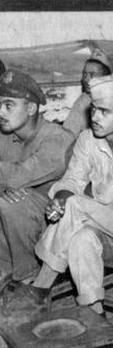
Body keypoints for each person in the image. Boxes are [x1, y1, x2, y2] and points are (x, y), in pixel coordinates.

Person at [11, 75, 113, 317]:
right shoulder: (87, 138)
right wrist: (60, 197)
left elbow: (105, 193)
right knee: (81, 239)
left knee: (76, 206)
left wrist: (75, 196)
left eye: (104, 111)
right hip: (103, 227)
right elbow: (72, 179)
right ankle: (95, 314)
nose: (95, 117)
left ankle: (41, 286)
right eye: (93, 110)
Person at [0, 69, 74, 285]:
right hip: (16, 227)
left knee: (13, 203)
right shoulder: (5, 136)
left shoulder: (58, 139)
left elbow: (20, 175)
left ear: (31, 108)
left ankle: (27, 277)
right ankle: (4, 270)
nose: (0, 112)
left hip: (53, 226)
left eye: (8, 105)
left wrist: (7, 187)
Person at [62, 48, 112, 136]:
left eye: (92, 75)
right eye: (85, 74)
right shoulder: (84, 100)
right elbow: (68, 132)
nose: (86, 79)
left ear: (105, 78)